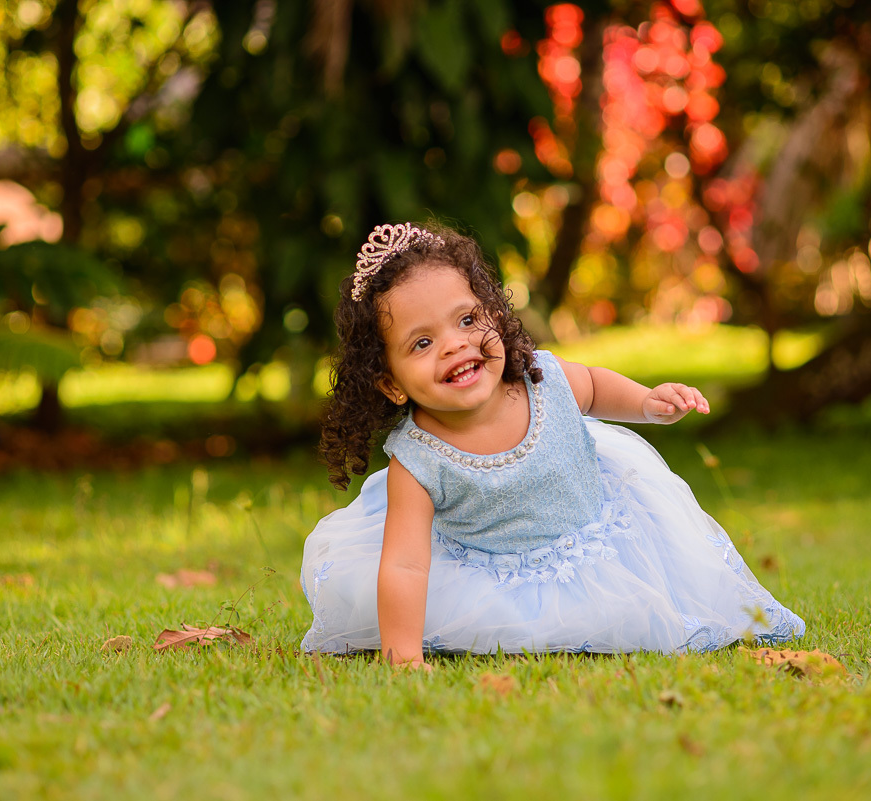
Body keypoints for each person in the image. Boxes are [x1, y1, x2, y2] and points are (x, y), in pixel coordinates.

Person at [300, 222, 804, 668]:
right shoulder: (419, 459)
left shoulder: (543, 380)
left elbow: (595, 386)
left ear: (494, 314)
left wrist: (647, 402)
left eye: (468, 320)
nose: (455, 344)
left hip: (595, 540)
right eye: (422, 343)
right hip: (489, 577)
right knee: (502, 629)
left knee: (644, 616)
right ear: (392, 384)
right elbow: (406, 564)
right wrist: (404, 657)